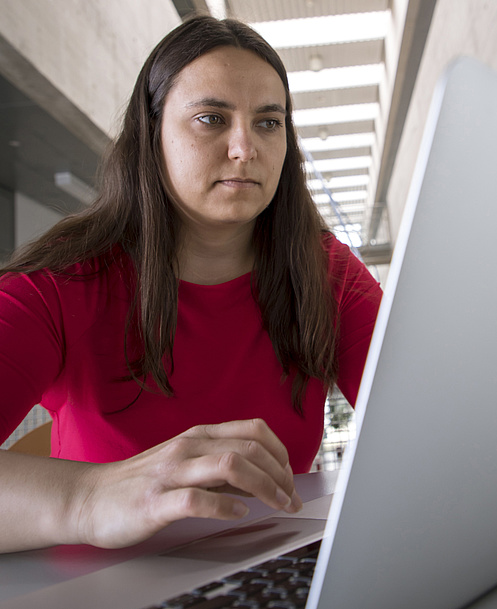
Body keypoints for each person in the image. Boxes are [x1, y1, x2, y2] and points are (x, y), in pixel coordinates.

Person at [0, 16, 381, 553]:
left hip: (270, 571)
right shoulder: (59, 284)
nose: (246, 148)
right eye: (210, 118)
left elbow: (427, 427)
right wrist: (87, 498)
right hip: (105, 585)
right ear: (150, 135)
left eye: (269, 123)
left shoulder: (327, 274)